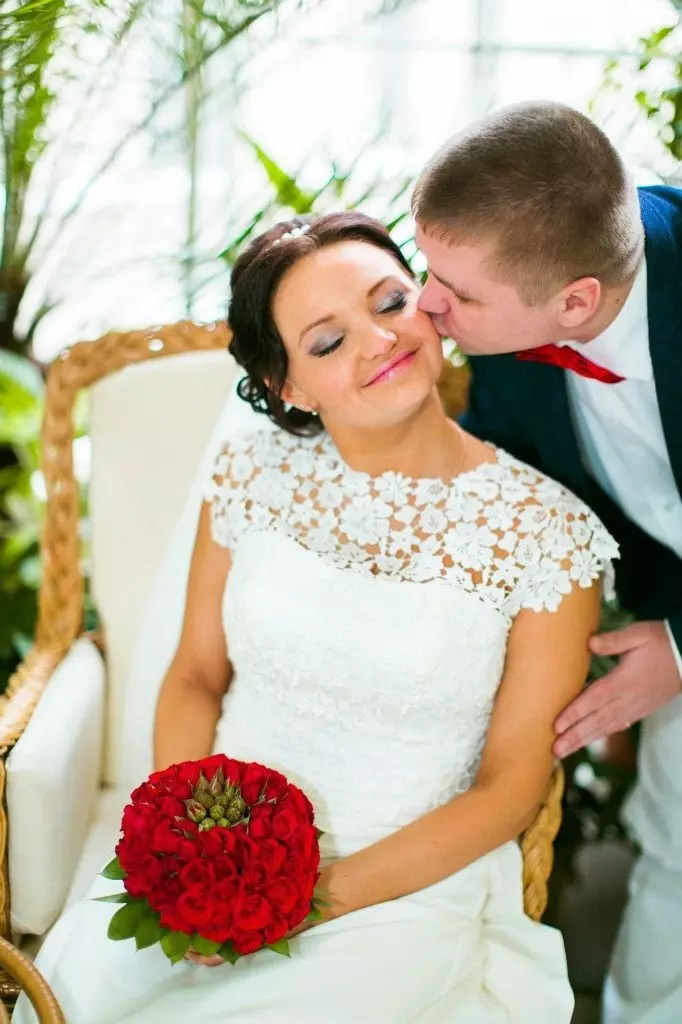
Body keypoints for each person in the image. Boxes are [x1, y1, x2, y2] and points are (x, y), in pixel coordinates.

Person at [14, 211, 617, 1024]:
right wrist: (184, 853)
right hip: (214, 850)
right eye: (328, 342)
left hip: (400, 888)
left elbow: (510, 786)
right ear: (286, 386)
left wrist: (304, 901)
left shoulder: (548, 532)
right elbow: (195, 675)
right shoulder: (249, 470)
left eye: (391, 302)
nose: (379, 340)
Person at [412, 100, 682, 1024]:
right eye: (427, 270)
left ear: (575, 301)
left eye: (457, 293)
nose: (425, 306)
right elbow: (505, 486)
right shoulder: (515, 324)